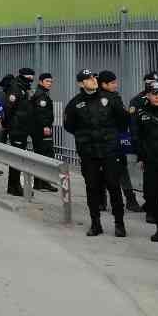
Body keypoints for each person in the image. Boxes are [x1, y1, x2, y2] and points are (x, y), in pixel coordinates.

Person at [63, 69, 126, 237]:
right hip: (89, 152)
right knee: (92, 188)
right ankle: (95, 224)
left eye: (93, 77)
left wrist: (111, 137)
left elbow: (122, 120)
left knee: (114, 186)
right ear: (80, 83)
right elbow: (69, 126)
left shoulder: (110, 98)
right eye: (88, 79)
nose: (93, 80)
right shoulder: (75, 104)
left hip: (109, 151)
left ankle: (119, 224)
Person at [133, 80, 158, 240]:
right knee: (152, 196)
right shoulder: (141, 113)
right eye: (154, 94)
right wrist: (141, 157)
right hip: (151, 162)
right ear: (147, 95)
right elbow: (137, 137)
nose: (157, 97)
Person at [101, 71, 141, 212]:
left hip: (106, 141)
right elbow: (123, 117)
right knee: (121, 171)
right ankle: (130, 200)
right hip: (113, 140)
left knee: (107, 171)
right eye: (112, 83)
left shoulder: (104, 97)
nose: (115, 85)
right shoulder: (112, 98)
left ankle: (102, 202)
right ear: (104, 84)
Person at [4, 67, 37, 196]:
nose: (31, 79)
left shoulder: (24, 88)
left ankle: (14, 186)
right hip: (17, 128)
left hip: (22, 127)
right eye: (30, 76)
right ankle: (14, 187)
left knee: (18, 157)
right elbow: (9, 108)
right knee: (17, 158)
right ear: (24, 76)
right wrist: (9, 125)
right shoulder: (16, 88)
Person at [28, 72, 58, 191]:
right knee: (46, 155)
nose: (49, 84)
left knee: (41, 154)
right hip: (42, 130)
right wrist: (45, 126)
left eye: (51, 81)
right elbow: (41, 113)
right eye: (47, 81)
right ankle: (42, 183)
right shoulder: (41, 96)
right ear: (41, 82)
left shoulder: (40, 93)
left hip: (37, 130)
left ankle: (40, 182)